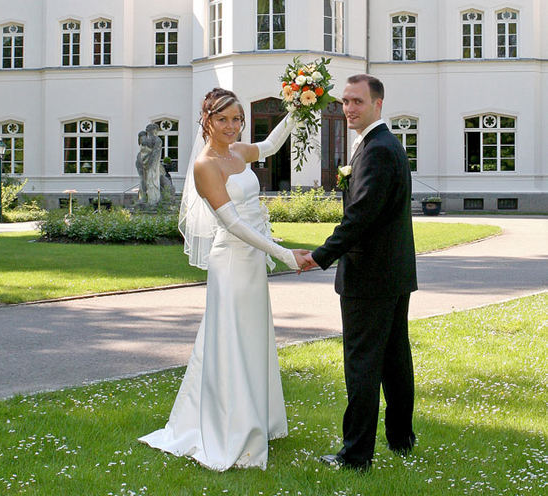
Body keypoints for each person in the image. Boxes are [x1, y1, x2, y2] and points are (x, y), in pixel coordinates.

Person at [139, 88, 307, 470]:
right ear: (207, 120)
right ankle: (232, 429)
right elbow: (231, 222)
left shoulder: (238, 152)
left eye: (237, 120)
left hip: (252, 258)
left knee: (252, 338)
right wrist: (282, 254)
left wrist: (301, 107)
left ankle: (257, 421)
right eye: (223, 120)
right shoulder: (205, 165)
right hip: (231, 260)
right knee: (230, 340)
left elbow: (270, 145)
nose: (231, 127)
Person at [297, 74, 418, 473]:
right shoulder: (381, 144)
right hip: (391, 274)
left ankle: (355, 456)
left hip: (370, 277)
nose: (348, 108)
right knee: (395, 359)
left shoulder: (378, 150)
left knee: (363, 364)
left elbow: (362, 216)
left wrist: (320, 255)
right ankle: (401, 438)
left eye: (357, 102)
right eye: (345, 101)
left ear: (378, 104)